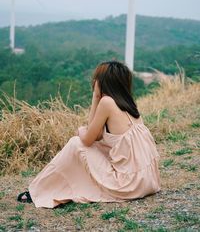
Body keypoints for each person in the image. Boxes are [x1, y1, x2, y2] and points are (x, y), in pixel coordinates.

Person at [17, 60, 161, 208]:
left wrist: (95, 97)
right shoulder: (128, 104)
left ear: (103, 82)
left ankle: (36, 191)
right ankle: (48, 187)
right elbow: (96, 137)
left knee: (75, 143)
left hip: (128, 185)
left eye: (96, 79)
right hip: (148, 181)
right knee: (94, 145)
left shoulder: (107, 102)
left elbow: (86, 141)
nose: (94, 82)